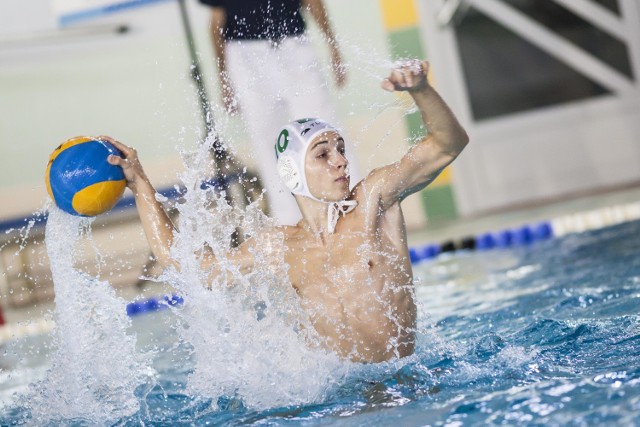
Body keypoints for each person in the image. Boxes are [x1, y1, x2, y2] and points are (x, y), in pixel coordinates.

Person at [103, 60, 469, 363]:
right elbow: (183, 263)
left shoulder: (373, 202)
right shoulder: (278, 247)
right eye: (323, 154)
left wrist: (420, 89)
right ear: (293, 172)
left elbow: (447, 145)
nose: (341, 161)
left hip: (404, 385)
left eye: (340, 148)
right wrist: (140, 185)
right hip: (347, 400)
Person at [199, 0, 359, 226]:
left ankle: (355, 209)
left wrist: (332, 46)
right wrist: (223, 76)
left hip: (292, 44)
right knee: (267, 143)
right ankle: (290, 223)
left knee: (326, 131)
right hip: (244, 54)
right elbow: (217, 17)